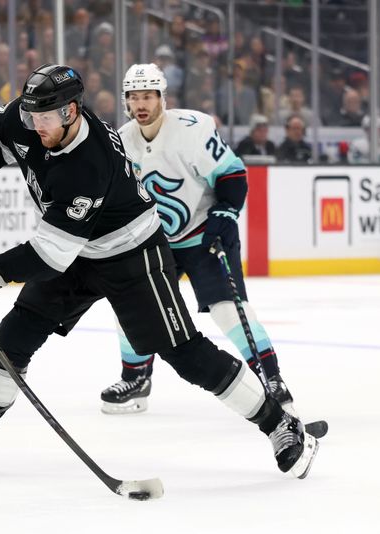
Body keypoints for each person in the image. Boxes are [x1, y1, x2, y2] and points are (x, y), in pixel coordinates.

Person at [0, 63, 319, 479]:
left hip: (132, 256)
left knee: (186, 355)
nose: (34, 125)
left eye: (44, 119)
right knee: (15, 333)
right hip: (77, 251)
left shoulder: (91, 163)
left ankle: (281, 424)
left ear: (71, 111)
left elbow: (50, 253)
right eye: (31, 115)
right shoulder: (28, 116)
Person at [99, 63, 309, 425]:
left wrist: (226, 211)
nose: (141, 104)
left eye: (148, 95)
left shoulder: (193, 130)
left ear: (162, 97)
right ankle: (136, 377)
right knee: (132, 304)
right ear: (126, 101)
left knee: (228, 310)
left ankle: (272, 380)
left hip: (205, 236)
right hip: (159, 240)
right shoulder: (123, 138)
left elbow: (232, 173)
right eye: (134, 97)